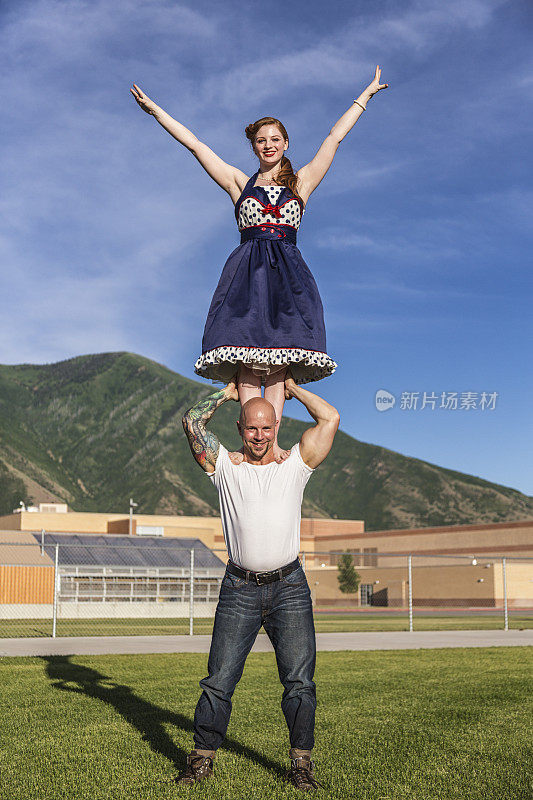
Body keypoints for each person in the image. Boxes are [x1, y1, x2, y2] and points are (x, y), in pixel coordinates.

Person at [130, 67, 388, 462]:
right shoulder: (238, 183)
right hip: (246, 277)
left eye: (274, 139)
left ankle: (276, 444)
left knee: (281, 364)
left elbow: (334, 138)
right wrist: (156, 112)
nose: (268, 145)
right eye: (260, 141)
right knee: (248, 361)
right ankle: (246, 445)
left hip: (289, 280)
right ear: (254, 147)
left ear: (285, 143)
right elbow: (196, 145)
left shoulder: (301, 183)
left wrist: (365, 96)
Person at [179, 371, 340, 791]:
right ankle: (201, 760)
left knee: (299, 682)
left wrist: (291, 389)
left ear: (277, 426)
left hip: (290, 588)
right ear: (240, 427)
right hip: (239, 589)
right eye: (251, 427)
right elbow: (192, 423)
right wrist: (227, 393)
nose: (258, 435)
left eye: (266, 427)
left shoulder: (295, 466)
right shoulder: (226, 469)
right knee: (219, 679)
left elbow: (330, 419)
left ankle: (301, 765)